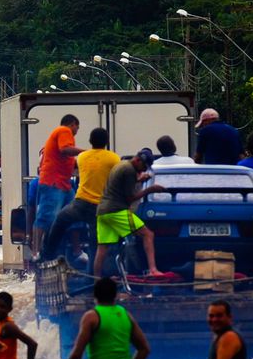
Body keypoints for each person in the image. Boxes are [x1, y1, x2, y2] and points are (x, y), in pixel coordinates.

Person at [61, 278, 150, 359]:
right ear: (116, 295)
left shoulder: (91, 317)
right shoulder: (125, 314)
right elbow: (144, 349)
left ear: (95, 295)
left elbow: (77, 353)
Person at [42, 127, 119, 260]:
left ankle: (47, 256)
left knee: (59, 222)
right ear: (106, 142)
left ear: (90, 141)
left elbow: (72, 167)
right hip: (100, 207)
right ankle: (95, 272)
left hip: (80, 204)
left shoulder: (82, 157)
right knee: (96, 241)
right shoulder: (114, 158)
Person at [93, 148, 166, 278]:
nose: (143, 170)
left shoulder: (122, 165)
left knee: (102, 248)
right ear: (138, 160)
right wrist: (150, 189)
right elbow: (130, 198)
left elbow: (121, 185)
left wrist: (139, 180)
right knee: (148, 234)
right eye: (144, 167)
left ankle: (97, 281)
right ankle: (153, 270)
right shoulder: (129, 171)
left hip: (103, 212)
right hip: (116, 210)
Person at [34, 115, 83, 254]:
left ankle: (77, 251)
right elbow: (65, 149)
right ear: (73, 124)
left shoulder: (61, 135)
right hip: (53, 183)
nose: (77, 131)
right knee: (46, 216)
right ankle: (37, 252)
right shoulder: (64, 131)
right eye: (77, 128)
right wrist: (86, 152)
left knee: (75, 215)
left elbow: (68, 161)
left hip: (64, 184)